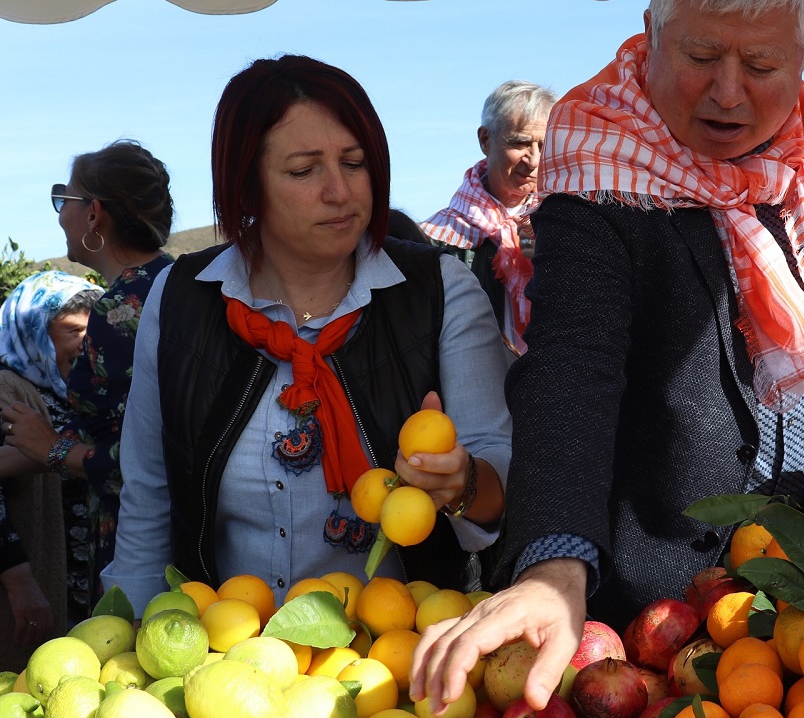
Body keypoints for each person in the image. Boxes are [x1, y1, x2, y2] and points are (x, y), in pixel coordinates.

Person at [411, 0, 804, 712]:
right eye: (701, 56)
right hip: (651, 619)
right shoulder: (601, 166)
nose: (729, 92)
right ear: (651, 32)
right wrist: (555, 565)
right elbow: (574, 365)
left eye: (763, 64)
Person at [102, 55, 512, 612]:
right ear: (246, 185)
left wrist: (461, 485)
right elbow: (149, 498)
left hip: (396, 666)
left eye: (355, 162)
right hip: (226, 660)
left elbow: (502, 485)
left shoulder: (441, 292)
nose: (340, 192)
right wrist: (127, 640)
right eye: (304, 170)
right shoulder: (181, 299)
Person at [0, 140, 174, 616]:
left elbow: (146, 457)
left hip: (140, 542)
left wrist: (52, 449)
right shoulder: (175, 284)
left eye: (65, 200)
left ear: (94, 213)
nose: (61, 215)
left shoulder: (120, 312)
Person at [0, 270, 102, 663]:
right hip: (31, 582)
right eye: (72, 330)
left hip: (77, 579)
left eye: (89, 332)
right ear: (33, 330)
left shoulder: (73, 390)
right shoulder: (8, 388)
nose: (85, 343)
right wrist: (19, 580)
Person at [421, 81, 557, 354]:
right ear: (485, 140)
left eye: (543, 145)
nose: (533, 160)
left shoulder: (559, 224)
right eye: (519, 143)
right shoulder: (435, 238)